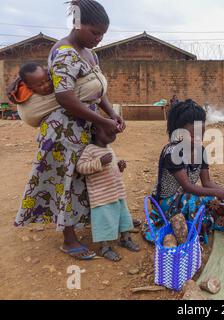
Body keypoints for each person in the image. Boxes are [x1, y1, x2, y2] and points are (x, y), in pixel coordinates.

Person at [14, 0, 125, 260]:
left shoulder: (89, 53)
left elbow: (97, 88)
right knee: (68, 180)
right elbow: (65, 97)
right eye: (95, 32)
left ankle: (89, 224)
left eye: (102, 34)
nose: (98, 39)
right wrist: (101, 121)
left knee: (89, 175)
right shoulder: (64, 52)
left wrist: (111, 114)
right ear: (77, 24)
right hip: (64, 129)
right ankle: (69, 238)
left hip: (82, 123)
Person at [142, 99, 224, 245]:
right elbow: (188, 187)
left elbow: (207, 182)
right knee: (194, 200)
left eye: (201, 133)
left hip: (187, 196)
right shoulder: (172, 152)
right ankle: (192, 239)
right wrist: (219, 192)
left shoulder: (201, 151)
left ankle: (210, 229)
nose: (198, 139)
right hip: (168, 201)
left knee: (215, 201)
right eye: (193, 135)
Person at [76, 124, 140, 262]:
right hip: (101, 197)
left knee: (123, 218)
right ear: (94, 130)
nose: (113, 135)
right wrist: (99, 162)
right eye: (108, 132)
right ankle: (105, 248)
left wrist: (119, 166)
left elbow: (111, 168)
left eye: (113, 134)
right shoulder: (90, 149)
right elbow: (81, 167)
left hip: (117, 193)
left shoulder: (108, 148)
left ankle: (125, 238)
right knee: (104, 222)